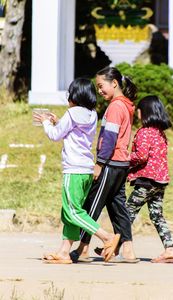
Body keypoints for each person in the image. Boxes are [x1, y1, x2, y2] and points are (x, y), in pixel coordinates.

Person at [33, 78, 120, 264]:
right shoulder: (92, 114)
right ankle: (64, 252)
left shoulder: (71, 113)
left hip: (73, 169)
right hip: (86, 170)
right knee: (69, 213)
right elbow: (74, 132)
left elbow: (55, 135)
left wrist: (46, 123)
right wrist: (59, 121)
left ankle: (106, 237)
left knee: (73, 212)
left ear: (74, 95)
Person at [71, 67, 139, 263]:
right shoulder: (126, 105)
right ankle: (128, 251)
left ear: (114, 83)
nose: (99, 91)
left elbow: (110, 137)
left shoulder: (116, 107)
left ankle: (83, 249)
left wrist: (100, 163)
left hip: (110, 163)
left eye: (101, 86)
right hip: (121, 165)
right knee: (119, 208)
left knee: (92, 204)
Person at [126, 95, 173, 263]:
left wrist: (126, 157)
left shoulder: (144, 132)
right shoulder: (160, 133)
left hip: (146, 181)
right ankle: (169, 249)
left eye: (139, 111)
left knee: (127, 212)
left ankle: (115, 246)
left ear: (145, 112)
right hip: (160, 181)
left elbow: (141, 156)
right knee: (157, 215)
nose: (137, 114)